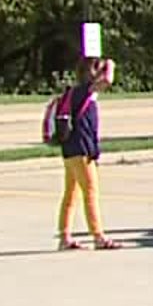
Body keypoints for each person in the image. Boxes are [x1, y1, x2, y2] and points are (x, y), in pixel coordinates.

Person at [56, 57, 123, 251]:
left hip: (70, 150)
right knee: (90, 192)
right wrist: (110, 64)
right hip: (80, 150)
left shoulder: (74, 93)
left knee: (71, 193)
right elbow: (108, 80)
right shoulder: (85, 91)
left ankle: (65, 236)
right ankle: (98, 236)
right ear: (90, 73)